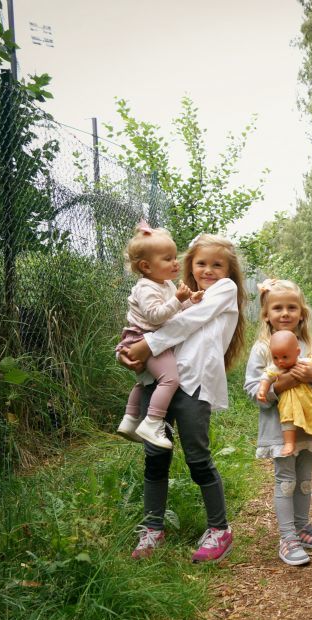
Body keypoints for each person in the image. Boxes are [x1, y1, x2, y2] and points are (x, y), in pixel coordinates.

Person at [119, 233, 247, 563]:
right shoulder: (174, 294)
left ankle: (219, 529)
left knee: (197, 457)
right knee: (154, 456)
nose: (208, 270)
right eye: (201, 263)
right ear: (190, 265)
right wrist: (128, 351)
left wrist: (147, 346)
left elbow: (188, 322)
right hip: (159, 383)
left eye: (217, 265)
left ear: (229, 271)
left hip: (195, 383)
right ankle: (152, 529)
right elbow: (143, 324)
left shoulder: (224, 290)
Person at [245, 279, 312, 566]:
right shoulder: (263, 349)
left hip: (308, 428)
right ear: (266, 315)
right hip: (280, 429)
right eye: (278, 308)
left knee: (304, 480)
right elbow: (253, 390)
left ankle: (302, 527)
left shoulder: (310, 346)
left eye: (291, 307)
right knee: (286, 480)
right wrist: (281, 384)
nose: (285, 313)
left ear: (302, 313)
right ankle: (287, 537)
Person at [116, 220, 203, 449]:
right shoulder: (146, 287)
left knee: (146, 380)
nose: (175, 263)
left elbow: (175, 311)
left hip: (146, 337)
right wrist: (178, 299)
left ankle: (130, 420)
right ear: (146, 266)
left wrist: (190, 302)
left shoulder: (165, 284)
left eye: (174, 257)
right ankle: (153, 422)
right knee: (170, 379)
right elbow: (156, 316)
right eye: (167, 259)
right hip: (143, 338)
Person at [257, 329, 312, 456]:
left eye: (285, 357)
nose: (280, 361)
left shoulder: (305, 362)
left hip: (308, 398)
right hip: (287, 400)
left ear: (297, 352)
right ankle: (289, 442)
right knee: (287, 418)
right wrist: (262, 390)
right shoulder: (275, 368)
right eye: (275, 357)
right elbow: (266, 378)